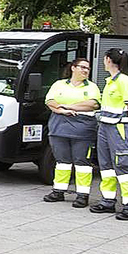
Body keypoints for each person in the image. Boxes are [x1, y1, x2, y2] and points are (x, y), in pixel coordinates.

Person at [42, 58, 100, 207]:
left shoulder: (92, 87)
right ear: (73, 68)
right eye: (82, 67)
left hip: (83, 131)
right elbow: (50, 101)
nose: (85, 70)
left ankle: (82, 195)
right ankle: (58, 191)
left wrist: (68, 107)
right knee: (62, 162)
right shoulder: (59, 84)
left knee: (82, 163)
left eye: (88, 68)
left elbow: (93, 104)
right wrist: (61, 110)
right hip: (59, 129)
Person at [90, 48, 128, 220]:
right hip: (105, 126)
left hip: (119, 127)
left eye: (104, 59)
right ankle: (108, 200)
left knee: (123, 165)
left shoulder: (124, 81)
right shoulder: (111, 80)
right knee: (106, 166)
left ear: (108, 60)